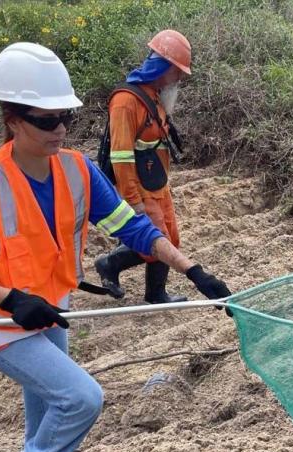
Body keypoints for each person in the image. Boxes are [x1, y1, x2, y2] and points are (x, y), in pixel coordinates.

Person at [0, 42, 231, 452]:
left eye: (65, 117)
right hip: (1, 323)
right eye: (46, 120)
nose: (60, 130)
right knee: (80, 397)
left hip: (52, 309)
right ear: (12, 120)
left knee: (46, 410)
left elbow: (133, 229)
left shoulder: (77, 169)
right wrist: (11, 299)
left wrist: (192, 270)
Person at [94, 30, 193, 303]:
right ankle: (111, 264)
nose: (181, 78)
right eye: (178, 72)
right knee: (154, 239)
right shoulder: (126, 101)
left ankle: (154, 291)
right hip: (140, 187)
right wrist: (134, 201)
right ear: (164, 68)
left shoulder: (154, 95)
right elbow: (121, 156)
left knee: (170, 238)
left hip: (157, 184)